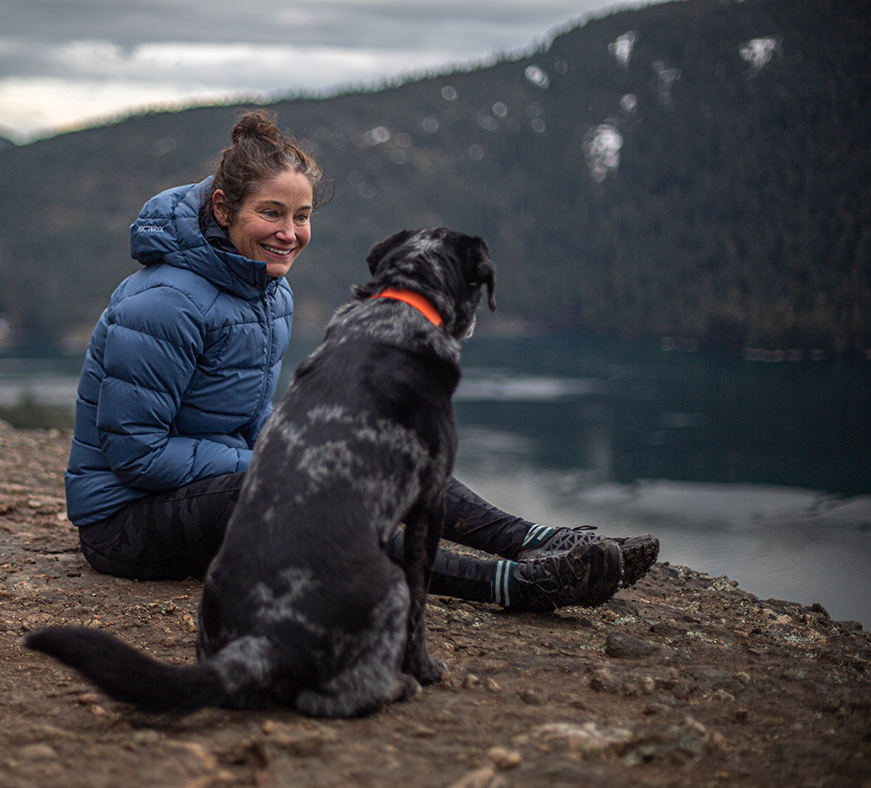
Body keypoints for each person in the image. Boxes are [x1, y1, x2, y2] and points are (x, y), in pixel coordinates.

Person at [64, 109, 658, 612]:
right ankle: (508, 586)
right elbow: (135, 452)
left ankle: (536, 540)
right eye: (271, 213)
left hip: (207, 489)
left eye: (301, 216)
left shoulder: (264, 289)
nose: (290, 233)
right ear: (223, 209)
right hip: (127, 525)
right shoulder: (164, 303)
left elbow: (240, 413)